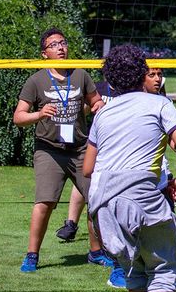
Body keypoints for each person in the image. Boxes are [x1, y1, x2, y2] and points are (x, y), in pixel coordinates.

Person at [85, 44, 176, 292]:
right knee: (163, 270)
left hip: (105, 206)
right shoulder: (159, 104)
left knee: (133, 270)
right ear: (142, 74)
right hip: (142, 198)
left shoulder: (103, 113)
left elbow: (87, 168)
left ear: (110, 80)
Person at [12, 28, 108, 273]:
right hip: (49, 150)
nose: (61, 48)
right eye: (54, 45)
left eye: (63, 43)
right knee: (44, 202)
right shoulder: (36, 80)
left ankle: (96, 252)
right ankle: (32, 255)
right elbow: (18, 117)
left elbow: (95, 100)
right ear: (44, 54)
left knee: (96, 199)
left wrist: (97, 105)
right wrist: (39, 114)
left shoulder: (80, 74)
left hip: (80, 148)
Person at [57, 65, 168, 244]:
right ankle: (72, 223)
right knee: (86, 180)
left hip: (128, 150)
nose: (157, 78)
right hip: (100, 142)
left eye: (159, 75)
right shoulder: (99, 88)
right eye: (152, 74)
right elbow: (84, 109)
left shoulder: (146, 97)